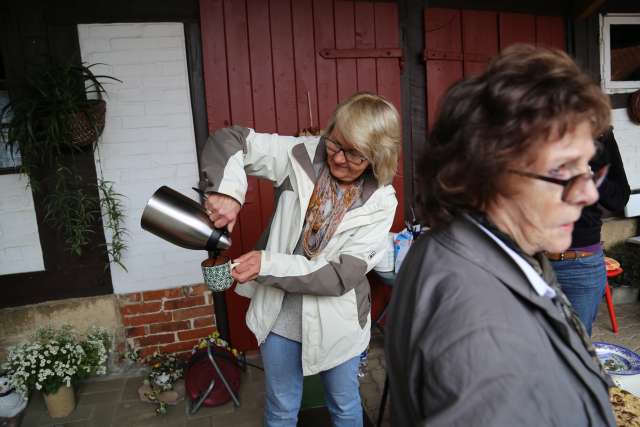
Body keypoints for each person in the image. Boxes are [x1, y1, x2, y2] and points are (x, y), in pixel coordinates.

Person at [385, 45, 616, 426]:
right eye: (562, 170)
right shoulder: (486, 344)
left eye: (588, 167)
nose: (590, 194)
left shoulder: (463, 244)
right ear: (483, 172)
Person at [198, 92, 400, 426]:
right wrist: (227, 190)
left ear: (377, 157)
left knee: (345, 405)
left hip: (339, 323)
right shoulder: (300, 154)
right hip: (279, 316)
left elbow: (340, 276)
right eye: (335, 144)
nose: (337, 159)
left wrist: (268, 264)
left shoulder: (382, 202)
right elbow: (231, 139)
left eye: (354, 154)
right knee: (280, 408)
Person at [549, 126, 630, 335]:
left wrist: (590, 176)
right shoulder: (525, 124)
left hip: (581, 263)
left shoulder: (599, 132)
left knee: (577, 347)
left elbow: (619, 197)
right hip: (530, 258)